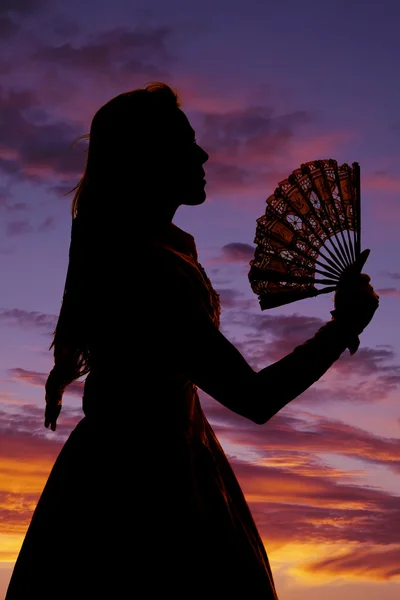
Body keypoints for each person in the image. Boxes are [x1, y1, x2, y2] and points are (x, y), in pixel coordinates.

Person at [5, 82, 379, 600]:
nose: (202, 153)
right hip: (150, 495)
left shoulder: (145, 255)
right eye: (185, 142)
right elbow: (254, 398)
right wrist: (343, 327)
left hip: (115, 476)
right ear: (147, 159)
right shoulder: (152, 271)